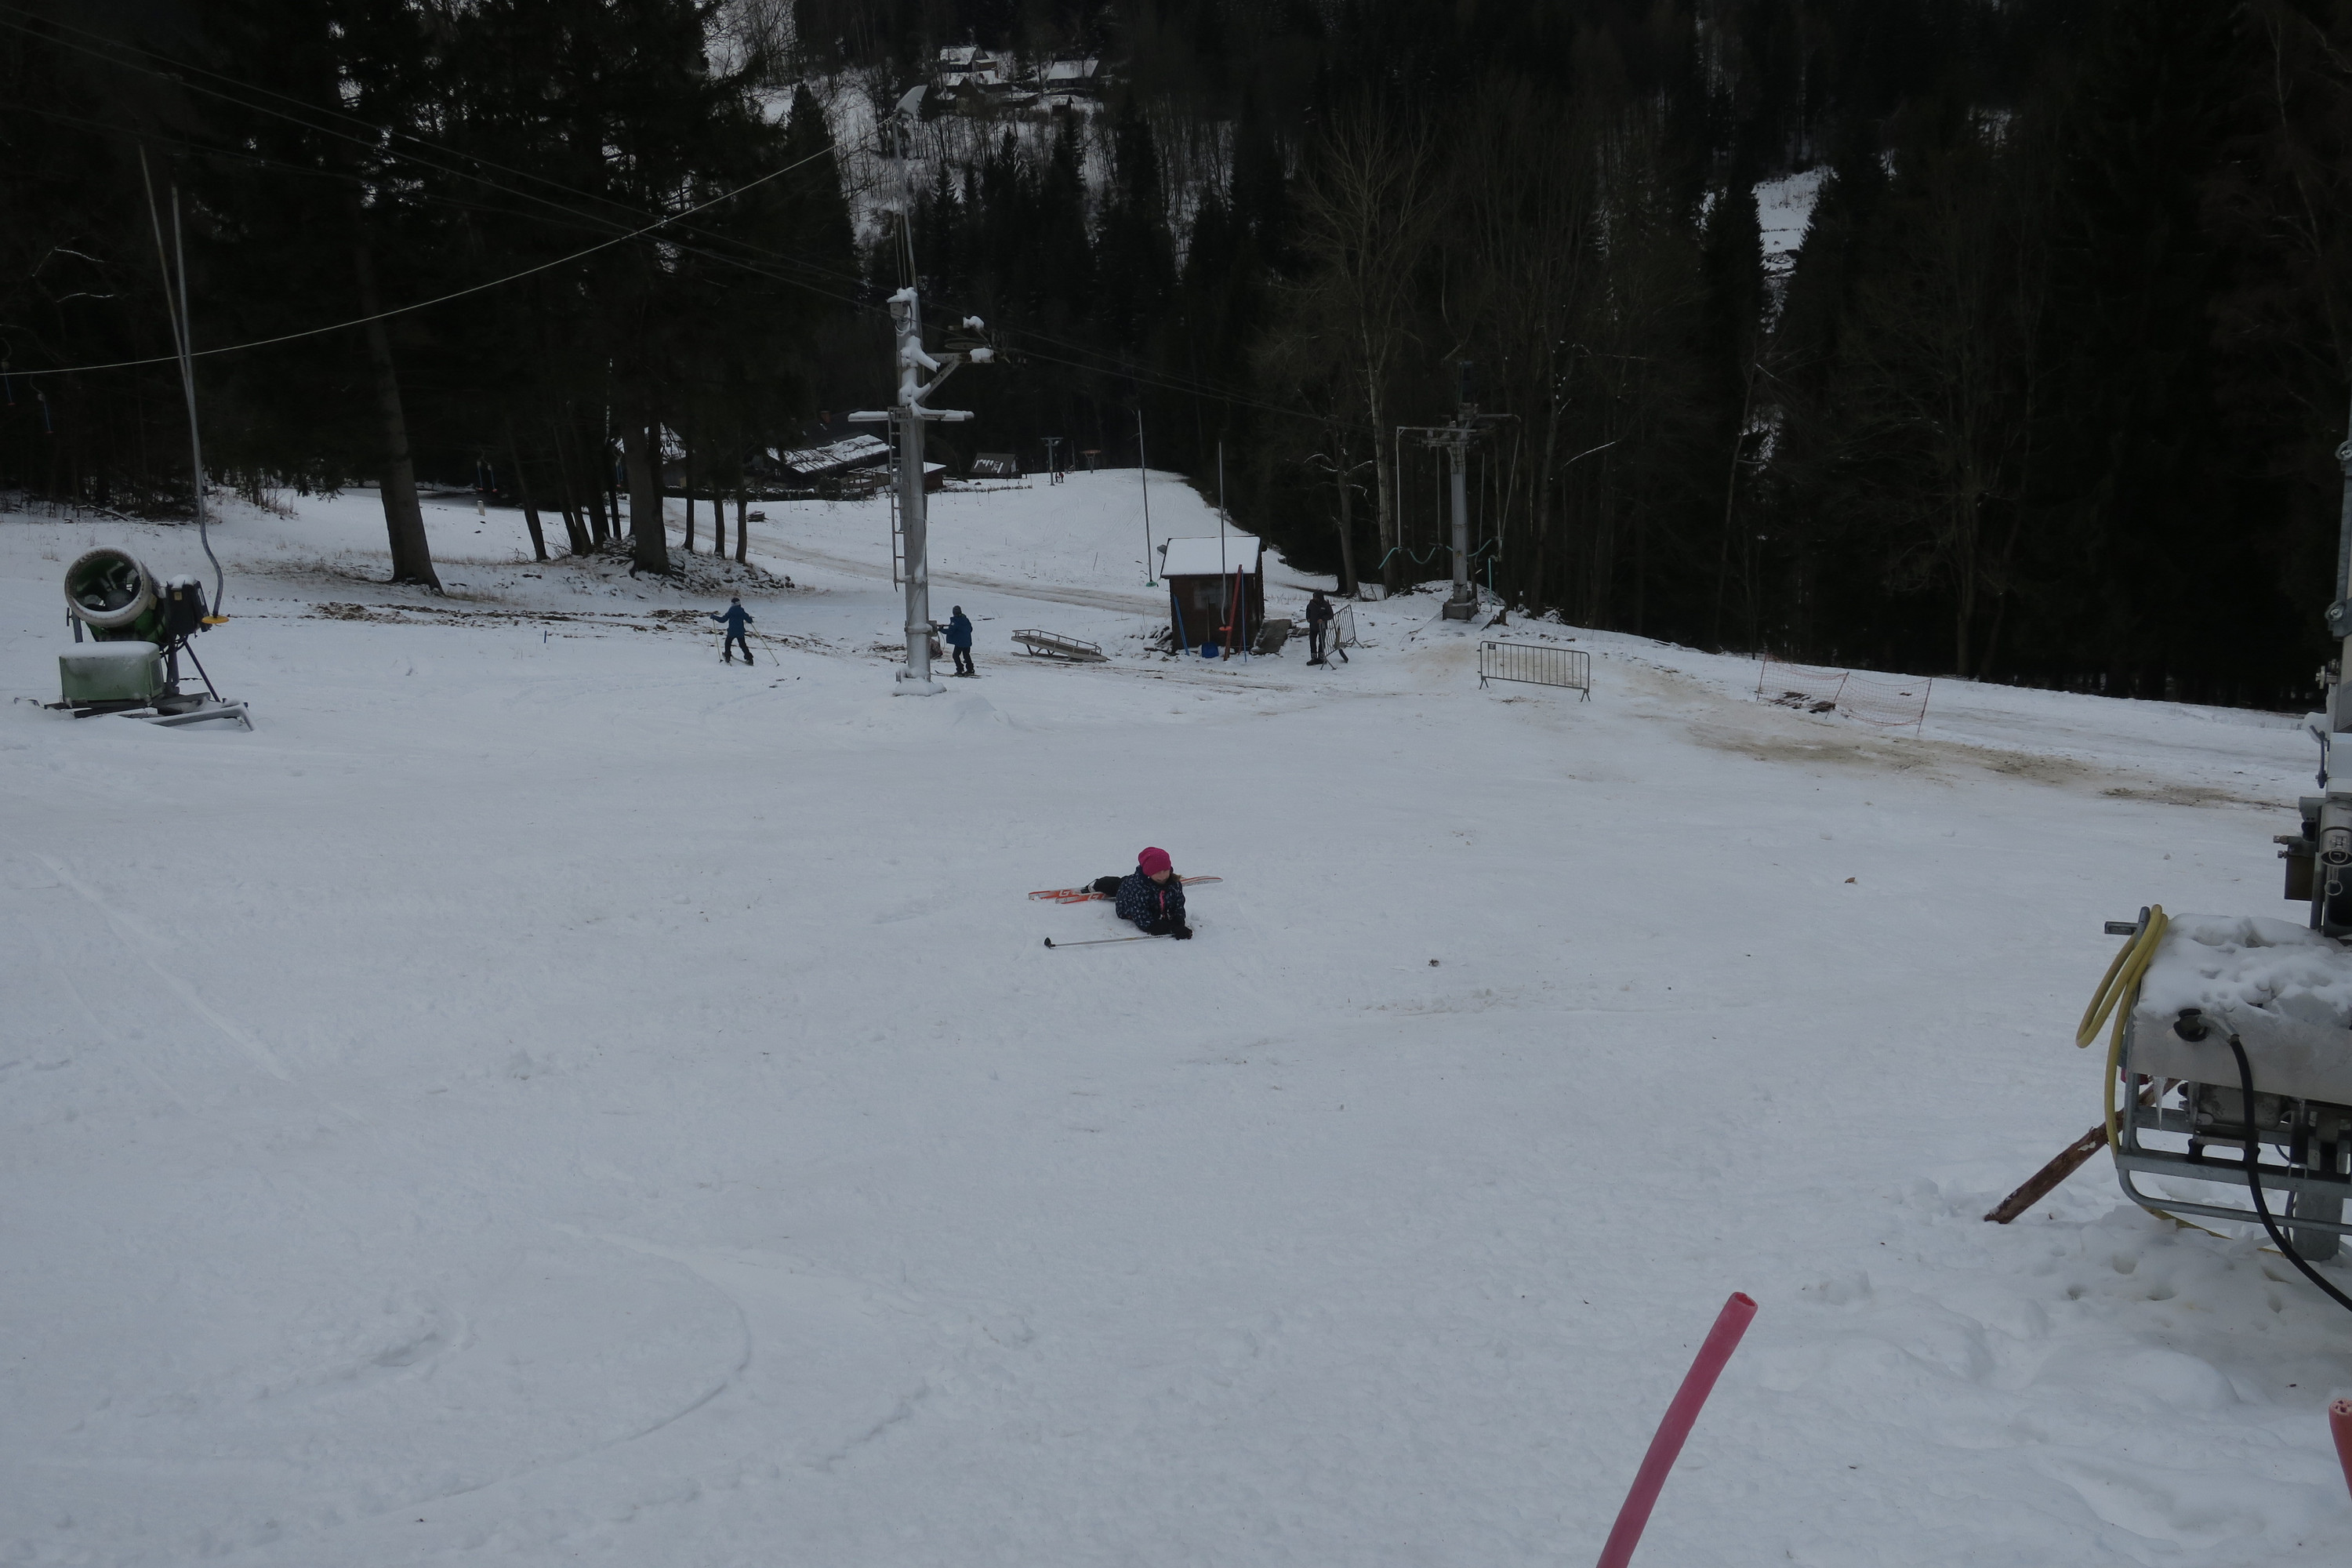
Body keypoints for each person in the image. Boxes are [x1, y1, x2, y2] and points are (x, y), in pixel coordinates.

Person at [1096, 847, 1190, 938]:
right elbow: (1143, 919)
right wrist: (1171, 929)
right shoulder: (1137, 888)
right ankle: (1094, 885)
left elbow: (1178, 905)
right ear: (1148, 871)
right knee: (1113, 885)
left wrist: (1179, 923)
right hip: (1126, 899)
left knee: (1125, 880)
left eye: (1165, 871)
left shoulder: (1175, 885)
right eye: (1157, 872)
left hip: (1152, 901)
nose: (1162, 876)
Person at [710, 595, 754, 664]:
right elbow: (749, 620)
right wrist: (750, 619)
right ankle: (749, 659)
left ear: (733, 604)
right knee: (743, 645)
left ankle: (727, 657)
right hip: (740, 632)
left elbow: (723, 620)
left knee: (728, 643)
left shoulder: (730, 611)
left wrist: (714, 617)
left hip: (732, 631)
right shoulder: (742, 611)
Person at [944, 604, 975, 677]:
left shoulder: (955, 621)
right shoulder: (965, 619)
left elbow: (950, 631)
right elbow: (970, 629)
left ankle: (960, 669)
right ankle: (970, 669)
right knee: (966, 655)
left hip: (960, 643)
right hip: (967, 641)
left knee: (955, 655)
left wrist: (941, 630)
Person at [1305, 590, 1334, 665]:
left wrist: (1323, 619)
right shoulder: (1311, 604)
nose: (1315, 599)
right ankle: (1313, 658)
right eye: (1314, 597)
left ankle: (1321, 657)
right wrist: (1308, 618)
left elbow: (1330, 615)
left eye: (1316, 597)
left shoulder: (1326, 605)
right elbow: (1308, 610)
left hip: (1322, 627)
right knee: (1312, 642)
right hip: (1313, 626)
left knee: (1322, 642)